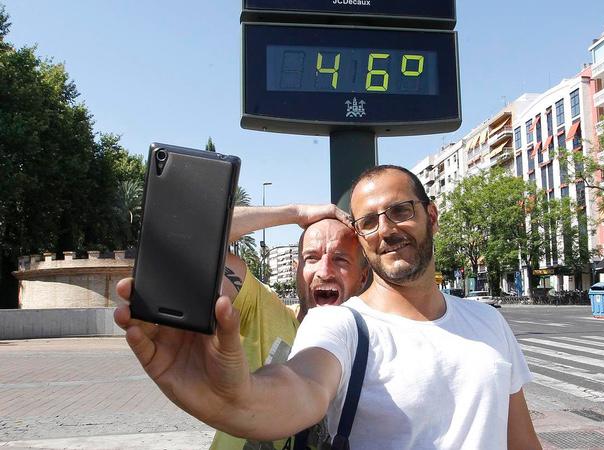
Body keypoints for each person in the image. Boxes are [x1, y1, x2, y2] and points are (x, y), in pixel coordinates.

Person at [114, 166, 541, 449]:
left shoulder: (489, 321)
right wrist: (233, 399)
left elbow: (522, 440)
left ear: (431, 215)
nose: (387, 230)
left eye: (400, 211)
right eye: (369, 221)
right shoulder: (337, 327)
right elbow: (300, 388)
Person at [209, 204, 370, 450]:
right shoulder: (261, 308)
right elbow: (200, 231)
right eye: (311, 258)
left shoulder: (373, 349)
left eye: (340, 259)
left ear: (362, 276)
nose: (324, 271)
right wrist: (297, 213)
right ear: (297, 268)